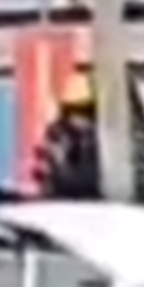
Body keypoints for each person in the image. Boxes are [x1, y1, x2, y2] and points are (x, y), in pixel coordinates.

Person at [32, 71, 103, 199]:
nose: (80, 119)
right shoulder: (58, 134)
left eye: (86, 112)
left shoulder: (98, 137)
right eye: (74, 111)